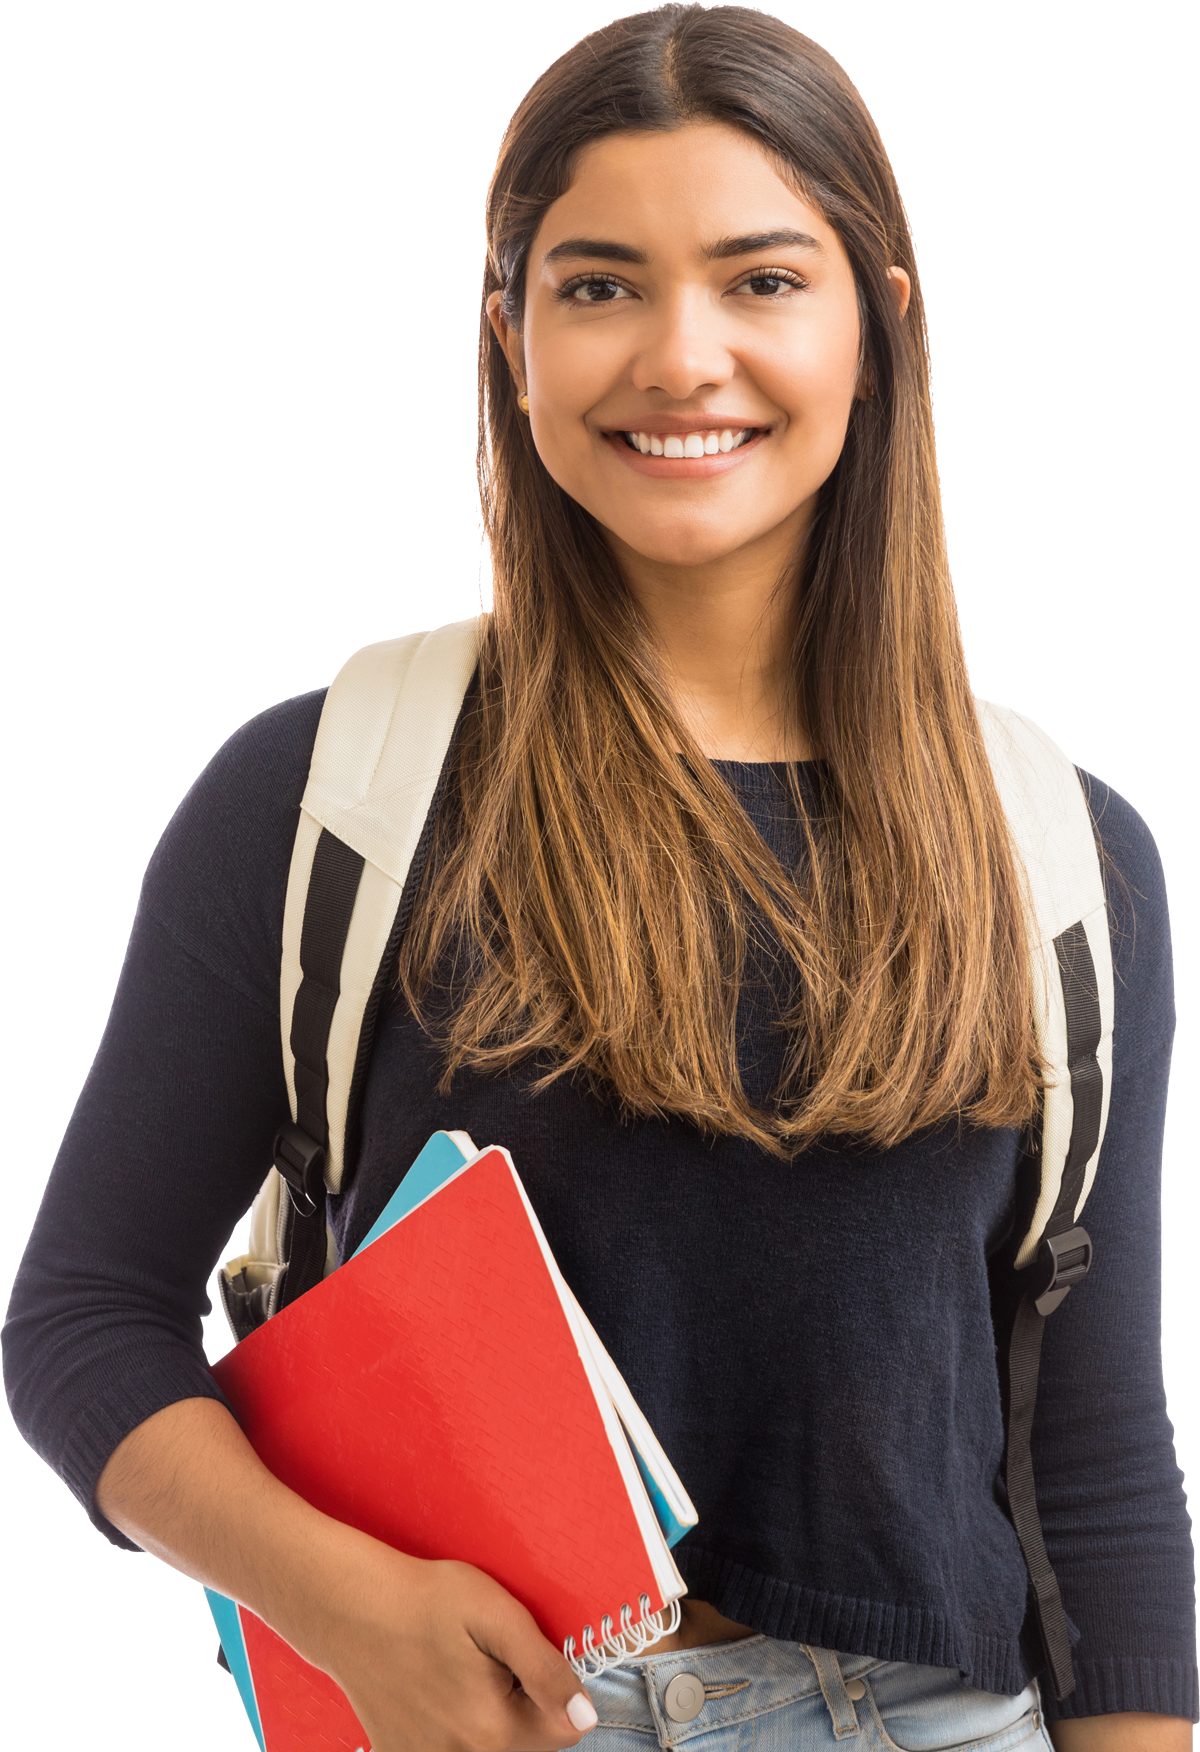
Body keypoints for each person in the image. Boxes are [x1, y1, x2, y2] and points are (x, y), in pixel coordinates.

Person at [4, 6, 1194, 1751]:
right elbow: (83, 1322)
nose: (680, 356)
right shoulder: (332, 789)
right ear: (513, 335)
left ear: (883, 316)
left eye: (764, 280)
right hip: (496, 1713)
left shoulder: (1061, 851)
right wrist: (347, 1607)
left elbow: (1092, 1457)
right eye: (599, 285)